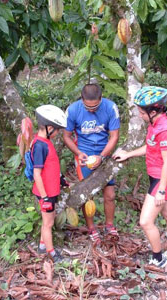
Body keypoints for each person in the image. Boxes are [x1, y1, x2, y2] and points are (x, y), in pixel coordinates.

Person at [113, 86, 167, 267]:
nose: (140, 116)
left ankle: (157, 258)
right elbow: (151, 147)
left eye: (141, 113)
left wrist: (161, 190)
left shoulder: (165, 130)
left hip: (165, 179)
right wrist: (128, 154)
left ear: (153, 111)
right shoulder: (155, 124)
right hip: (159, 176)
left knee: (145, 221)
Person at [63, 83, 120, 243]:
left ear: (101, 99)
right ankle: (91, 228)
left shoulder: (111, 107)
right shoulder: (73, 110)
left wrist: (102, 156)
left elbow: (114, 136)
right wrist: (78, 153)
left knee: (110, 195)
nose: (92, 110)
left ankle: (109, 225)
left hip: (104, 154)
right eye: (88, 107)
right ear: (82, 100)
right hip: (84, 156)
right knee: (88, 196)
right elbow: (66, 137)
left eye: (95, 106)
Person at [32, 104, 68, 263]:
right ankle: (52, 253)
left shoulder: (46, 142)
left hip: (51, 190)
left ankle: (41, 245)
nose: (58, 133)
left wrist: (62, 181)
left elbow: (51, 165)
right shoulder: (39, 145)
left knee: (49, 219)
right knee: (48, 224)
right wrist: (45, 197)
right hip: (45, 192)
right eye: (57, 129)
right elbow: (36, 174)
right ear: (48, 128)